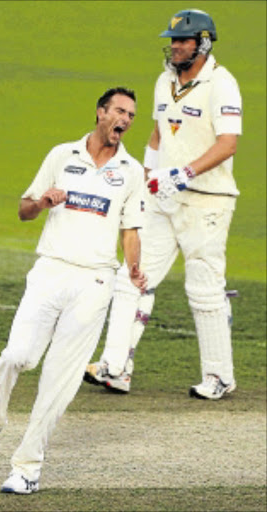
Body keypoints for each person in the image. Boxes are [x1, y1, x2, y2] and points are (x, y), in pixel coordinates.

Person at [0, 87, 147, 494]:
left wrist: (134, 268)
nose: (126, 120)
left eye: (132, 115)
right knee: (18, 356)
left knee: (58, 382)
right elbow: (24, 209)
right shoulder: (62, 155)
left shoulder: (132, 172)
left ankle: (26, 468)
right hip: (50, 270)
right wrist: (44, 201)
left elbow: (130, 230)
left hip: (95, 281)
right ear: (101, 113)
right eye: (120, 111)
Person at [84, 9, 242, 400]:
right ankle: (115, 367)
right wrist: (150, 174)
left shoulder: (222, 84)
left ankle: (219, 376)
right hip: (163, 199)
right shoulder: (164, 81)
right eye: (172, 40)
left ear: (202, 43)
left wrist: (183, 173)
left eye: (182, 41)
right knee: (131, 277)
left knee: (203, 288)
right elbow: (157, 133)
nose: (174, 47)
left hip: (207, 202)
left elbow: (228, 143)